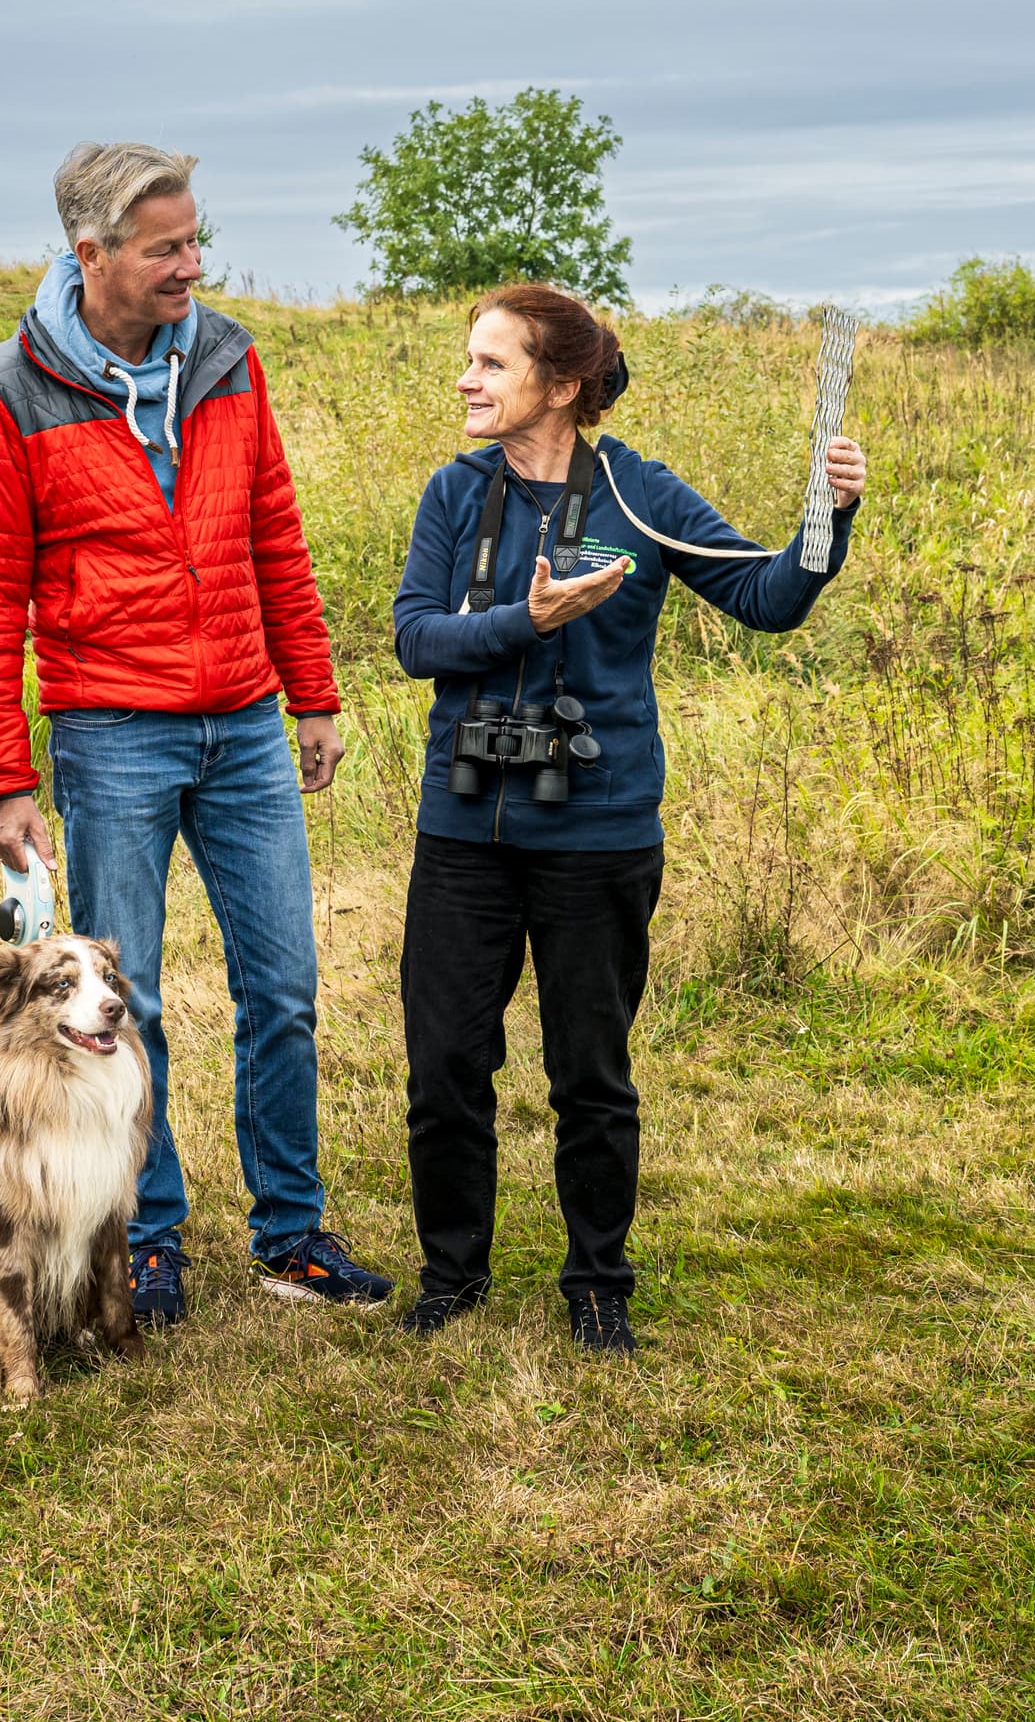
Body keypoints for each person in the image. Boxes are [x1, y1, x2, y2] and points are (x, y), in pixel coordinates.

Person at [0, 141, 394, 1324]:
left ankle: (290, 1233)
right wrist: (2, 774)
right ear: (92, 256)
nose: (194, 264)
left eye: (198, 241)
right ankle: (148, 1237)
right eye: (167, 249)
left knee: (283, 987)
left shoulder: (230, 357)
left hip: (243, 724)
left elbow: (275, 533)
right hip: (111, 734)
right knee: (118, 1010)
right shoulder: (8, 389)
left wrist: (314, 691)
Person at [388, 284, 868, 1353]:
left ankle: (599, 1282)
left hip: (597, 831)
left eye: (490, 364)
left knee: (590, 1073)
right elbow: (416, 638)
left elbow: (769, 598)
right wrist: (526, 618)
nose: (466, 380)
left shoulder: (640, 492)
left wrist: (827, 516)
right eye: (468, 361)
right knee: (446, 1066)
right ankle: (450, 1275)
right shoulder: (454, 493)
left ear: (560, 386)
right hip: (463, 829)